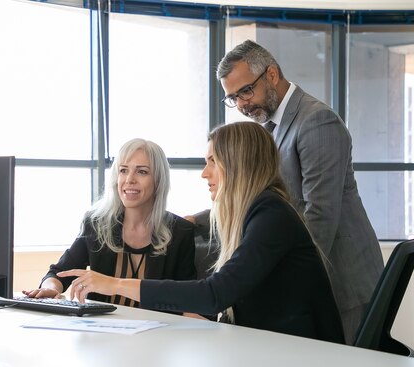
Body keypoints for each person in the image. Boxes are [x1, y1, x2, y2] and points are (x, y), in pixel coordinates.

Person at [61, 122, 345, 344]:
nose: (204, 173)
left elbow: (215, 294)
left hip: (306, 359)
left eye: (212, 162)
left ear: (236, 164)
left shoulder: (271, 215)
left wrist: (114, 285)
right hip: (271, 350)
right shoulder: (256, 212)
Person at [200, 40, 383, 344]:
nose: (242, 104)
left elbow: (320, 216)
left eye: (245, 91)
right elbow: (254, 196)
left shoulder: (315, 121)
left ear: (271, 74)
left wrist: (272, 279)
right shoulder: (271, 127)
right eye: (232, 98)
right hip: (315, 281)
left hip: (343, 281)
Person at [23, 138, 197, 310]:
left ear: (158, 180)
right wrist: (51, 288)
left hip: (158, 334)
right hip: (101, 333)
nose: (129, 179)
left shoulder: (180, 232)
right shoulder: (96, 224)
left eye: (142, 172)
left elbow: (189, 298)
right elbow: (60, 272)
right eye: (123, 170)